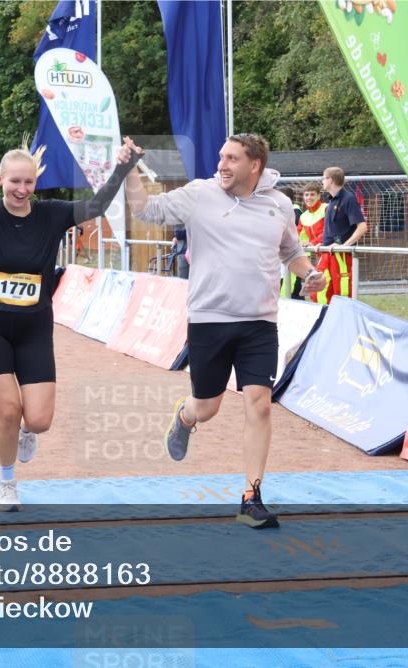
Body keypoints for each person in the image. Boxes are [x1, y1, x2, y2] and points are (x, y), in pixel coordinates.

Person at [0, 109, 141, 511]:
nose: (21, 189)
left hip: (33, 327)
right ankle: (7, 481)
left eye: (28, 181)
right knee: (9, 411)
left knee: (39, 420)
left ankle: (26, 433)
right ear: (0, 180)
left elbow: (98, 205)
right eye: (14, 181)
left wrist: (123, 166)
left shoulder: (51, 214)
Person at [125, 133, 325, 529]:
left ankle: (251, 497)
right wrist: (129, 170)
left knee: (260, 403)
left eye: (232, 158)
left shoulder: (280, 205)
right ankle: (185, 416)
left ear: (256, 165)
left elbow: (291, 252)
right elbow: (144, 209)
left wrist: (311, 274)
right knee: (209, 406)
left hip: (259, 323)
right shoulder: (199, 194)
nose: (222, 164)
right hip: (209, 320)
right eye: (221, 157)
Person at [318, 166, 368, 303]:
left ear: (331, 180)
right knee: (321, 292)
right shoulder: (331, 200)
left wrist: (343, 246)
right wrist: (320, 244)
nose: (321, 181)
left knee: (343, 294)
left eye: (323, 178)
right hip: (327, 254)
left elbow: (362, 227)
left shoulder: (348, 199)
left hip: (341, 257)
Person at [298, 182, 328, 304]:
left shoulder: (326, 208)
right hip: (318, 255)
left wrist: (311, 243)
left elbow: (329, 231)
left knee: (322, 288)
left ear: (319, 196)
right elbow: (299, 237)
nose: (309, 198)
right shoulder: (303, 216)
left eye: (312, 194)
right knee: (316, 290)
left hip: (330, 253)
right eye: (306, 195)